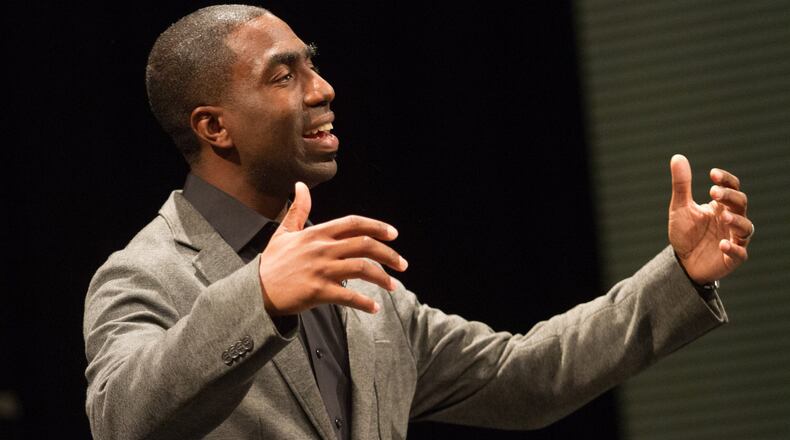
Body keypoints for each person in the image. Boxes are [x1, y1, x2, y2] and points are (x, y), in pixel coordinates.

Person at [83, 5, 755, 440]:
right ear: (213, 126)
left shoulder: (357, 284)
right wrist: (257, 296)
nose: (321, 89)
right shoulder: (149, 272)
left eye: (312, 64)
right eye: (284, 74)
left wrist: (680, 278)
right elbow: (121, 420)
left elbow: (522, 378)